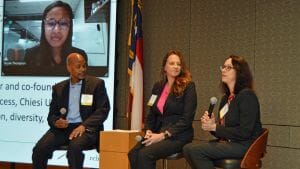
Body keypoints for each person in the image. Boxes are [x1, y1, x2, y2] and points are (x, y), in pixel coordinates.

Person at [183, 55, 263, 169]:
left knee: (195, 151)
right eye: (223, 67)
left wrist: (215, 127)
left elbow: (245, 132)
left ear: (240, 72)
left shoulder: (247, 96)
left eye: (228, 67)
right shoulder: (226, 98)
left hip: (244, 145)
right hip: (229, 142)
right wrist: (211, 126)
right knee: (187, 148)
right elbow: (223, 130)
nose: (224, 70)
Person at [32, 53, 110, 169]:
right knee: (39, 149)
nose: (82, 69)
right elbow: (52, 115)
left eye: (84, 66)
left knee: (74, 148)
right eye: (78, 66)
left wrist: (84, 126)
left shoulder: (96, 84)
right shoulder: (59, 88)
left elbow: (103, 110)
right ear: (68, 67)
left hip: (86, 129)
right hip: (64, 129)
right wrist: (56, 122)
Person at [128, 50, 197, 169]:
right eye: (172, 63)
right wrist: (148, 130)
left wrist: (163, 135)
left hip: (178, 136)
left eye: (178, 64)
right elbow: (152, 115)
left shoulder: (188, 86)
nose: (176, 66)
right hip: (157, 133)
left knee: (145, 155)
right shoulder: (158, 86)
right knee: (133, 154)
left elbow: (186, 119)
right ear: (164, 67)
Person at [24, 1, 87, 75]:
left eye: (63, 23)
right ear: (43, 26)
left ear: (70, 27)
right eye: (51, 23)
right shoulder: (31, 54)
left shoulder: (79, 55)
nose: (56, 30)